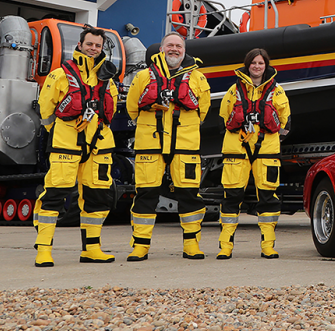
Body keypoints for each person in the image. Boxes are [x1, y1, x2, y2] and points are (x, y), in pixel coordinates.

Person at [32, 27, 120, 267]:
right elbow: (46, 111)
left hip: (99, 147)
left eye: (98, 46)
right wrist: (62, 133)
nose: (93, 49)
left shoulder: (107, 79)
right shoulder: (59, 75)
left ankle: (92, 249)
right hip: (66, 144)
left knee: (97, 197)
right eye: (89, 44)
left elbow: (110, 112)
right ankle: (43, 250)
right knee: (55, 195)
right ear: (80, 45)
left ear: (102, 48)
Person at [125, 32, 212, 261]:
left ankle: (192, 245)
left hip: (185, 145)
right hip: (150, 144)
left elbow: (203, 110)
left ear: (184, 50)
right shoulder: (144, 75)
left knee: (190, 194)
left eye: (178, 46)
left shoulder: (197, 78)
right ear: (162, 49)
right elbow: (132, 107)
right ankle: (140, 246)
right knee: (145, 194)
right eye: (170, 45)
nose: (174, 49)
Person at [217, 48, 290, 259]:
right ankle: (225, 246)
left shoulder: (278, 92)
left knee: (268, 197)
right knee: (231, 196)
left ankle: (268, 246)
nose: (256, 66)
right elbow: (223, 120)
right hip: (236, 149)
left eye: (260, 63)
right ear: (247, 65)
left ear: (266, 66)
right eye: (253, 63)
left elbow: (285, 123)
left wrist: (268, 139)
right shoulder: (233, 90)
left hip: (266, 149)